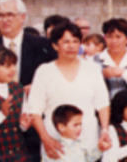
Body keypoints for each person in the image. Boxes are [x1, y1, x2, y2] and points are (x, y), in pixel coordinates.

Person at [25, 23, 111, 160]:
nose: (71, 46)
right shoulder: (44, 71)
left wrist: (105, 130)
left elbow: (103, 104)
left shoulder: (92, 69)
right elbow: (34, 111)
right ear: (54, 45)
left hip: (88, 144)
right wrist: (45, 138)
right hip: (55, 146)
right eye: (65, 42)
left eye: (75, 41)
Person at [0, 0, 57, 87]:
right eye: (0, 15)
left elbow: (52, 77)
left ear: (23, 17)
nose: (5, 20)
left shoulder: (43, 46)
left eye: (10, 15)